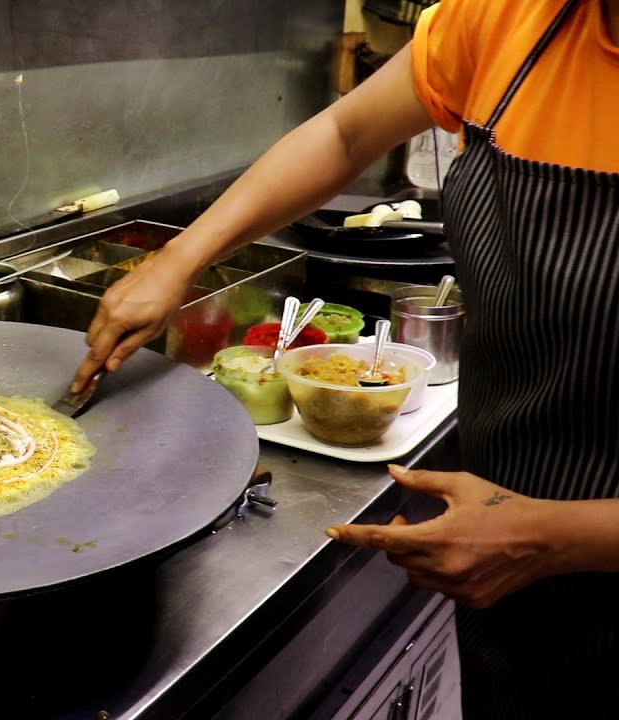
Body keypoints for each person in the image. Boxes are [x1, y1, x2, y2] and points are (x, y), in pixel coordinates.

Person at [72, 0, 619, 716]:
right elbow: (344, 131)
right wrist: (181, 258)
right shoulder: (508, 18)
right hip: (502, 545)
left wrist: (551, 537)